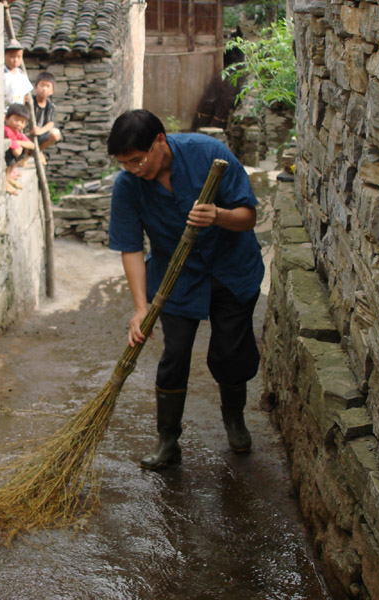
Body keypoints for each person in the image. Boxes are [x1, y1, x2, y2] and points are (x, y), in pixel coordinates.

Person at [106, 110, 264, 470]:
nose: (133, 168)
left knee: (230, 353)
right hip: (175, 278)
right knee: (174, 355)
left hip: (231, 269)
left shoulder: (208, 154)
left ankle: (235, 421)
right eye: (125, 163)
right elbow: (130, 247)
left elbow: (248, 215)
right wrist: (141, 307)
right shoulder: (128, 186)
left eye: (137, 159)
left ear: (160, 140)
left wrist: (218, 216)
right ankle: (167, 440)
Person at [30, 72, 62, 162]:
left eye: (48, 86)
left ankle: (39, 150)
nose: (44, 89)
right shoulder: (30, 101)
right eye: (42, 85)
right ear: (36, 87)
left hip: (41, 133)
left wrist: (40, 131)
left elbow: (50, 123)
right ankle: (25, 155)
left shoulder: (50, 106)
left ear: (52, 91)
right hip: (28, 133)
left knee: (56, 134)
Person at [4, 103, 35, 194]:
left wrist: (19, 143)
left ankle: (9, 176)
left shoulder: (16, 132)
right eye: (16, 120)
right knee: (17, 154)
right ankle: (5, 181)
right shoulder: (7, 130)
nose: (18, 124)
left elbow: (32, 145)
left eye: (22, 122)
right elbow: (16, 152)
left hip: (14, 151)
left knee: (22, 153)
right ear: (6, 118)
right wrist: (20, 145)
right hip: (4, 156)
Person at [3, 38, 33, 110]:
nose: (16, 60)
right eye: (12, 57)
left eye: (19, 57)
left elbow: (26, 94)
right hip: (5, 111)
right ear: (4, 56)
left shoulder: (21, 74)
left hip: (19, 111)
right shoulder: (2, 75)